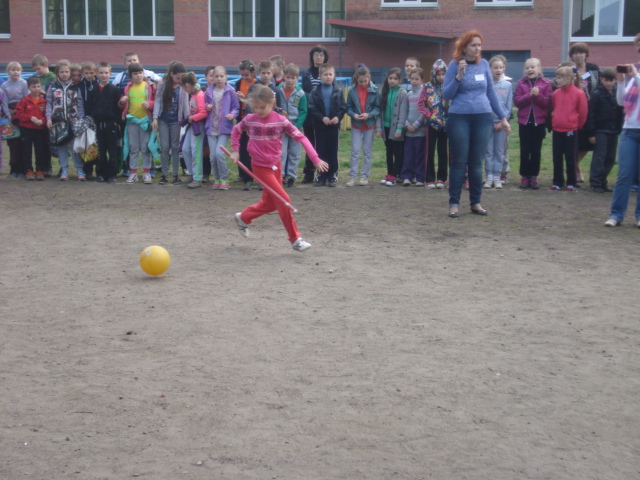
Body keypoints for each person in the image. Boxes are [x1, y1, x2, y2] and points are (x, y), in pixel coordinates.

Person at [230, 85, 329, 251]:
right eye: (255, 107)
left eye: (262, 107)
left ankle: (244, 217)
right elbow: (235, 130)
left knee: (270, 204)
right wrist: (235, 150)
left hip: (276, 165)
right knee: (283, 200)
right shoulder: (250, 119)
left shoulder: (281, 120)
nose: (258, 111)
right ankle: (295, 239)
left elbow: (301, 138)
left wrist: (315, 159)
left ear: (271, 103)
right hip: (260, 167)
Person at [442, 30, 511, 218]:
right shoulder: (454, 65)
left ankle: (476, 203)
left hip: (483, 117)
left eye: (479, 45)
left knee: (476, 162)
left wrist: (503, 118)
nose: (477, 48)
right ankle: (454, 204)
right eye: (474, 45)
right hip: (459, 117)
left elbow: (491, 94)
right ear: (464, 47)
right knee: (459, 162)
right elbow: (446, 95)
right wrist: (458, 77)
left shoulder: (484, 65)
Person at [604, 34, 640, 228]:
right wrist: (620, 83)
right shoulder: (635, 73)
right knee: (624, 175)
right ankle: (616, 214)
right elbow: (621, 102)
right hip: (629, 130)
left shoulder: (636, 75)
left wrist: (635, 76)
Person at [514, 58, 553, 190]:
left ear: (539, 69)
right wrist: (529, 95)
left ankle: (534, 176)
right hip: (524, 122)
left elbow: (547, 103)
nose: (529, 70)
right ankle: (524, 176)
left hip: (539, 123)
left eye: (532, 67)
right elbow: (517, 102)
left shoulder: (546, 83)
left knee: (536, 150)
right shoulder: (521, 83)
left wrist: (538, 96)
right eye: (527, 68)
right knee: (524, 150)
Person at [549, 66, 588, 191]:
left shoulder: (579, 94)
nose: (557, 80)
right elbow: (555, 108)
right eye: (556, 77)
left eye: (559, 78)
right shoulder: (556, 94)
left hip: (571, 129)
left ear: (568, 78)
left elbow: (583, 113)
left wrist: (575, 125)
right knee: (557, 157)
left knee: (571, 157)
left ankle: (571, 182)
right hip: (557, 129)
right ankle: (557, 182)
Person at [307, 63, 346, 187]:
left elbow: (343, 107)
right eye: (325, 74)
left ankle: (332, 174)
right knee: (321, 150)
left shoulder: (338, 91)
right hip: (320, 126)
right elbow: (311, 107)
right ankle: (321, 174)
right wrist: (321, 118)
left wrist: (337, 117)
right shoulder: (315, 91)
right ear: (320, 76)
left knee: (333, 151)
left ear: (334, 75)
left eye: (330, 74)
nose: (328, 77)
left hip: (333, 126)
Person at [46, 59, 85, 181]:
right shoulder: (53, 86)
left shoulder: (76, 86)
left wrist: (81, 119)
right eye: (62, 72)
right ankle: (64, 170)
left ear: (70, 72)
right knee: (61, 147)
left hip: (73, 121)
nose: (64, 74)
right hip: (58, 122)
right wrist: (48, 118)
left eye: (66, 72)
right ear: (57, 73)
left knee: (75, 147)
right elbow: (49, 103)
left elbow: (80, 104)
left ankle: (79, 169)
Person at [586, 67, 624, 193]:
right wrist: (591, 133)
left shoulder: (617, 94)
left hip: (613, 130)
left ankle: (603, 181)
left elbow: (620, 113)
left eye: (611, 80)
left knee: (610, 158)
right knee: (599, 157)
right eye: (606, 80)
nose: (608, 83)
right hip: (600, 130)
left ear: (615, 80)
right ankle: (595, 182)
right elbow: (591, 115)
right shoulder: (596, 95)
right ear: (601, 79)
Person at [118, 62, 157, 184]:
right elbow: (122, 105)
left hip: (145, 121)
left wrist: (150, 104)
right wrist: (122, 102)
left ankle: (146, 173)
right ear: (131, 75)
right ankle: (133, 172)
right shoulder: (128, 88)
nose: (138, 75)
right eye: (135, 73)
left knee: (145, 148)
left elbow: (156, 102)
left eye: (140, 73)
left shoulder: (149, 86)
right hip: (132, 121)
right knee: (133, 148)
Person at [569, 42, 601, 183]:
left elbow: (599, 86)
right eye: (575, 53)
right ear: (571, 56)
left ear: (586, 54)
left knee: (589, 142)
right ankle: (576, 169)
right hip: (574, 110)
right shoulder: (569, 69)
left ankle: (574, 164)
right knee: (576, 141)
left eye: (581, 52)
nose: (578, 55)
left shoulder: (593, 69)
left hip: (591, 109)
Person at [153, 61, 188, 185]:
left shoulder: (183, 86)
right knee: (164, 147)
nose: (180, 80)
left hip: (176, 121)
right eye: (178, 78)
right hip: (163, 119)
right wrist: (155, 117)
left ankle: (175, 175)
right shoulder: (162, 84)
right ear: (172, 74)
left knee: (175, 147)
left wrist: (187, 119)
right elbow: (157, 100)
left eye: (182, 78)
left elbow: (185, 104)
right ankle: (164, 174)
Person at [204, 65, 239, 190]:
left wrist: (232, 115)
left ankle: (225, 179)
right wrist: (207, 106)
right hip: (211, 128)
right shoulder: (208, 91)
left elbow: (236, 107)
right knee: (213, 157)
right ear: (213, 78)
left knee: (219, 154)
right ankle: (217, 178)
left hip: (224, 128)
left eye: (221, 76)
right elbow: (204, 104)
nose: (219, 79)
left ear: (226, 77)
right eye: (216, 76)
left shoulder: (230, 91)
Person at [346, 65, 380, 186]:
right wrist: (353, 115)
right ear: (357, 79)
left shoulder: (375, 90)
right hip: (356, 125)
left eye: (365, 81)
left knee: (367, 152)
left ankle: (365, 176)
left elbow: (377, 108)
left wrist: (369, 115)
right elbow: (348, 107)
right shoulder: (352, 91)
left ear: (369, 78)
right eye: (361, 81)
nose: (363, 84)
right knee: (355, 151)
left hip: (369, 125)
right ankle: (353, 176)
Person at [301, 45, 329, 184]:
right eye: (316, 55)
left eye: (321, 55)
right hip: (309, 113)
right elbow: (304, 92)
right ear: (312, 57)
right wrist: (314, 98)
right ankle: (309, 173)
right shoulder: (306, 74)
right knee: (309, 143)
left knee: (322, 144)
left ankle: (322, 173)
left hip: (323, 113)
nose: (319, 57)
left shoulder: (328, 73)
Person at [418, 59, 449, 189]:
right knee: (429, 152)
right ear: (433, 74)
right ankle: (429, 179)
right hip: (431, 124)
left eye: (443, 74)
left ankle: (442, 178)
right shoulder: (426, 87)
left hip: (445, 124)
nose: (441, 77)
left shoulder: (449, 86)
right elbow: (421, 104)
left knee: (443, 152)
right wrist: (429, 115)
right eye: (438, 74)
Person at [483, 55, 513, 189]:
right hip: (488, 123)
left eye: (501, 67)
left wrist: (502, 121)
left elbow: (508, 106)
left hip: (502, 124)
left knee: (500, 151)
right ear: (490, 69)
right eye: (495, 67)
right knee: (489, 151)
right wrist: (490, 122)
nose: (498, 70)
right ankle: (489, 176)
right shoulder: (486, 85)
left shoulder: (508, 85)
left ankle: (497, 176)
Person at [91, 62, 122, 183]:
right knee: (100, 151)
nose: (103, 75)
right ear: (96, 73)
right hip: (97, 124)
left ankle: (112, 174)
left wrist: (116, 122)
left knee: (112, 150)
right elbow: (90, 106)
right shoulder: (93, 89)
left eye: (106, 73)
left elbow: (118, 107)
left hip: (110, 124)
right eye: (101, 73)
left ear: (110, 74)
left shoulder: (114, 90)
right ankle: (101, 174)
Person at [377, 67, 408, 185]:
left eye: (395, 78)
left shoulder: (403, 93)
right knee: (389, 151)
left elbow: (403, 113)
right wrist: (378, 128)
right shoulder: (383, 92)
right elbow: (380, 112)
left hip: (396, 128)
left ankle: (395, 175)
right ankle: (389, 174)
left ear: (400, 80)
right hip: (386, 126)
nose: (392, 80)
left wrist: (399, 128)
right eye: (390, 78)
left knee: (398, 152)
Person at [279, 63, 307, 187]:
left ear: (297, 78)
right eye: (288, 77)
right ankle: (280, 175)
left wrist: (297, 124)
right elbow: (275, 107)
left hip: (296, 127)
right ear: (284, 77)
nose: (290, 80)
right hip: (281, 127)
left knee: (295, 153)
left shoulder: (300, 93)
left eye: (293, 78)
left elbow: (303, 110)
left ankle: (291, 175)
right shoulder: (278, 90)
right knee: (281, 152)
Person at [15, 76, 48, 181]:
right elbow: (19, 114)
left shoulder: (43, 101)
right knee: (27, 151)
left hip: (40, 130)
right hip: (27, 130)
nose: (37, 89)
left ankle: (40, 170)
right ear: (28, 88)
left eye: (38, 86)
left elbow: (47, 115)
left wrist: (42, 121)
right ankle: (28, 170)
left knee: (40, 150)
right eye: (34, 87)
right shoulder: (24, 101)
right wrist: (30, 118)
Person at [180, 72, 208, 189]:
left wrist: (193, 118)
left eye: (184, 87)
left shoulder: (199, 95)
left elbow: (204, 113)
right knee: (185, 149)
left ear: (187, 85)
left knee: (196, 152)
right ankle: (192, 173)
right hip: (192, 126)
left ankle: (197, 178)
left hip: (198, 126)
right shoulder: (193, 95)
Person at [400, 67, 427, 186]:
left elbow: (424, 111)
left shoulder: (424, 93)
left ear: (422, 80)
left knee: (419, 154)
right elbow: (404, 111)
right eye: (412, 79)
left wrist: (416, 124)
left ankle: (419, 177)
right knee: (408, 154)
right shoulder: (408, 94)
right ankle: (407, 176)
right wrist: (407, 124)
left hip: (420, 130)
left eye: (417, 79)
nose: (414, 81)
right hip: (408, 131)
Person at [1, 62, 29, 178]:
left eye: (18, 70)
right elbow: (4, 101)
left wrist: (20, 111)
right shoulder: (5, 85)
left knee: (22, 142)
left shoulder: (24, 83)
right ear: (8, 72)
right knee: (13, 143)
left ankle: (23, 170)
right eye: (13, 70)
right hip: (10, 115)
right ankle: (13, 169)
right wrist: (8, 113)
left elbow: (26, 99)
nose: (15, 72)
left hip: (21, 113)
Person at [31, 54, 57, 177]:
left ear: (45, 65)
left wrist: (44, 93)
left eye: (38, 69)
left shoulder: (52, 78)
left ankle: (48, 168)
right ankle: (41, 168)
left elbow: (54, 95)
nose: (37, 71)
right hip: (39, 113)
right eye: (35, 69)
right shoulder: (38, 78)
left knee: (48, 143)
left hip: (49, 112)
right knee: (40, 144)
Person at [234, 59, 258, 190]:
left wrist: (245, 98)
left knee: (253, 148)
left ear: (253, 73)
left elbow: (256, 101)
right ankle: (243, 173)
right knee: (242, 147)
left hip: (253, 120)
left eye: (247, 75)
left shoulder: (257, 84)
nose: (244, 77)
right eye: (242, 75)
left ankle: (254, 173)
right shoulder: (238, 83)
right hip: (242, 119)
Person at [78, 61, 99, 179]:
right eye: (86, 73)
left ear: (95, 72)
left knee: (98, 145)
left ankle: (99, 170)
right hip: (86, 119)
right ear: (82, 73)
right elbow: (80, 103)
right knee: (87, 144)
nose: (89, 75)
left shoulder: (99, 83)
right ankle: (88, 170)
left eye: (91, 73)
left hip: (98, 118)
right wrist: (82, 118)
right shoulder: (81, 86)